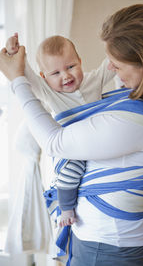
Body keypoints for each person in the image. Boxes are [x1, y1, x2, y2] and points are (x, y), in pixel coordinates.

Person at [0, 4, 143, 266]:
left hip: (108, 248)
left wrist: (16, 80)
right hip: (130, 238)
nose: (111, 70)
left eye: (116, 65)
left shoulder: (140, 119)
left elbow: (54, 142)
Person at [6, 33, 115, 227]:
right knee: (71, 170)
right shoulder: (48, 91)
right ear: (44, 77)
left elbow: (112, 63)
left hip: (98, 140)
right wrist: (15, 54)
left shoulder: (94, 79)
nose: (65, 76)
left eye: (71, 67)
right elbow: (27, 77)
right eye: (55, 73)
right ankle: (66, 208)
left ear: (80, 62)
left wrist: (120, 42)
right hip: (71, 149)